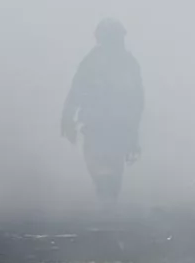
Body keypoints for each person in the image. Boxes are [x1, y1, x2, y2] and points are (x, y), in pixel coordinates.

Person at [61, 18, 144, 202]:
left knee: (110, 164)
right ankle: (106, 195)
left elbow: (137, 99)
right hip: (99, 124)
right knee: (100, 162)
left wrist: (133, 130)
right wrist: (67, 117)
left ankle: (108, 197)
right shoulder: (93, 62)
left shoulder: (126, 63)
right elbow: (77, 90)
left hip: (114, 125)